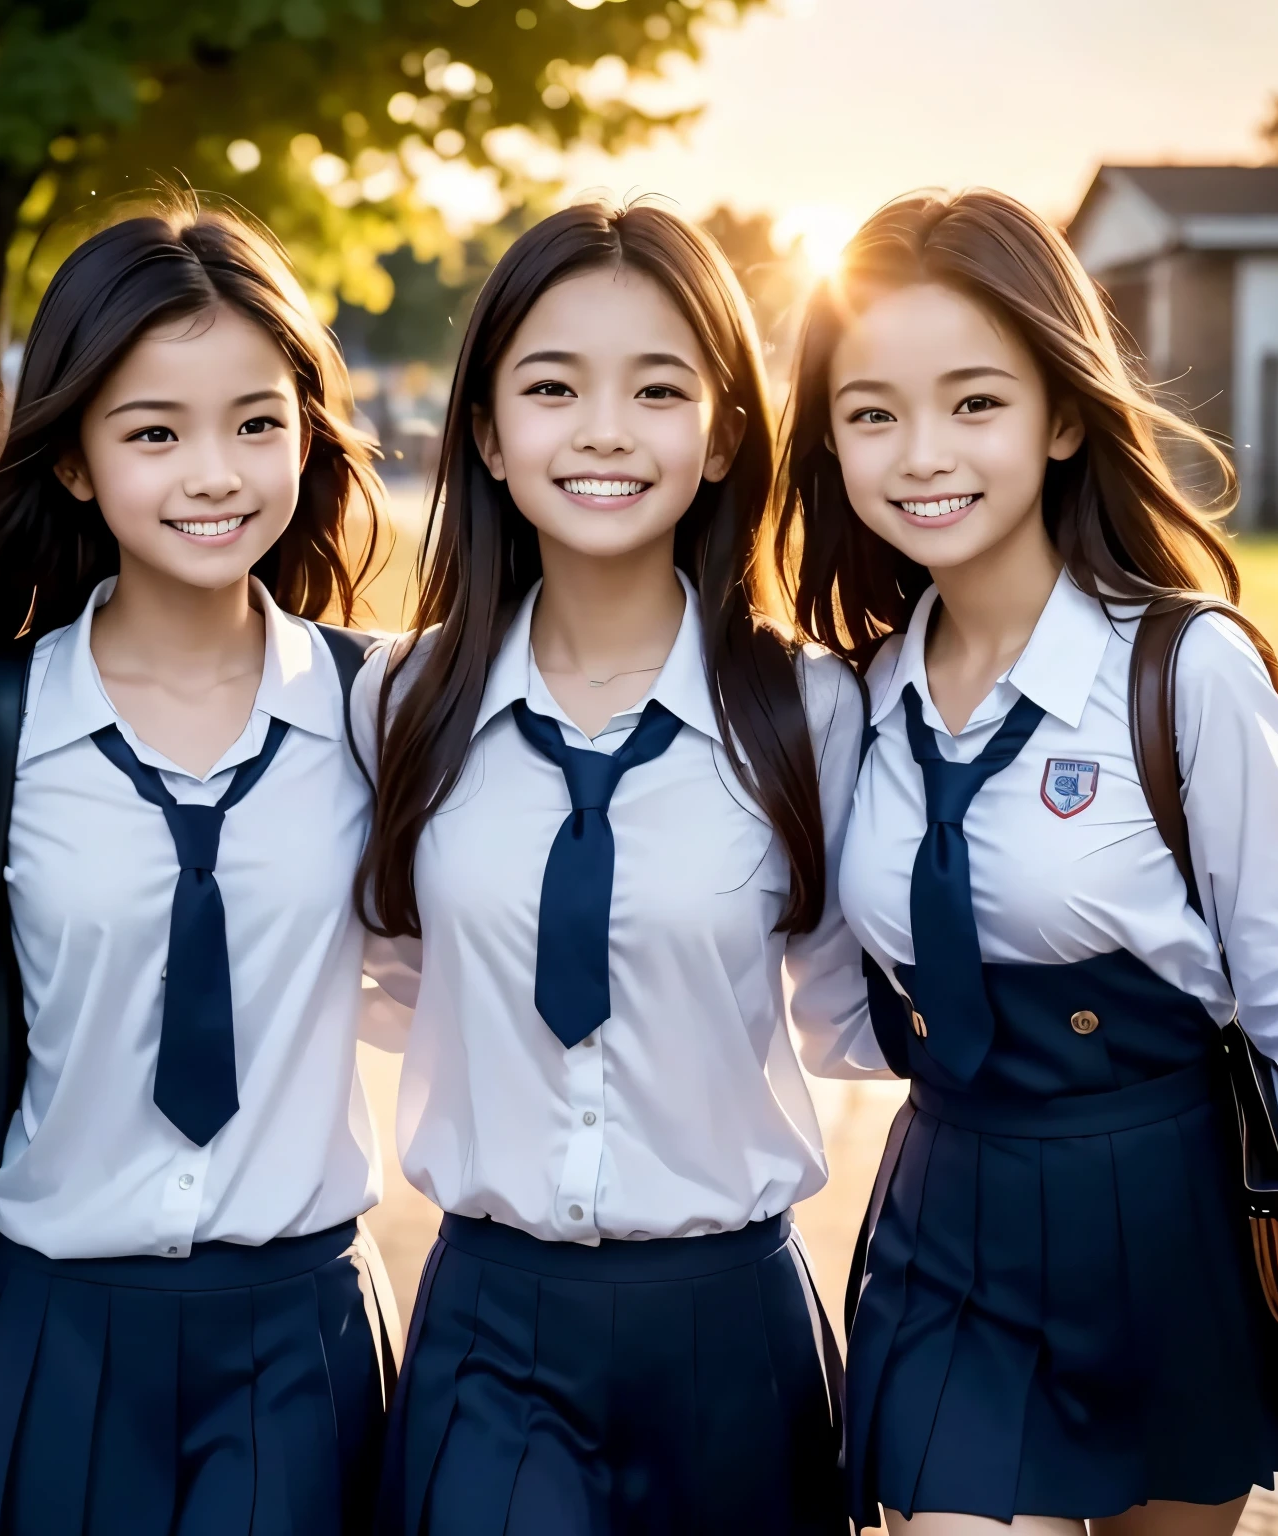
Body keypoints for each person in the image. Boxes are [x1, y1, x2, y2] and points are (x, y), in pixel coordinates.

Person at [0, 203, 401, 1535]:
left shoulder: (379, 708)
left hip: (299, 1331)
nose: (215, 472)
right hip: (59, 1324)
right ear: (78, 461)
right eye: (155, 431)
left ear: (309, 434)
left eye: (257, 422)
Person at [358, 198, 887, 1536]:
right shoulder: (398, 703)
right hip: (490, 1323)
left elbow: (851, 1007)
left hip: (730, 1327)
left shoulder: (812, 714)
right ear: (485, 429)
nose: (603, 429)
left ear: (723, 433)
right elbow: (402, 975)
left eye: (658, 388)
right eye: (552, 387)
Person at [773, 187, 1278, 1536]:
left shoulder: (1188, 673)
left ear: (1063, 416)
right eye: (871, 410)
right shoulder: (851, 704)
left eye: (974, 403)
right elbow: (836, 1011)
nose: (920, 453)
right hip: (955, 1221)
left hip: (1173, 1220)